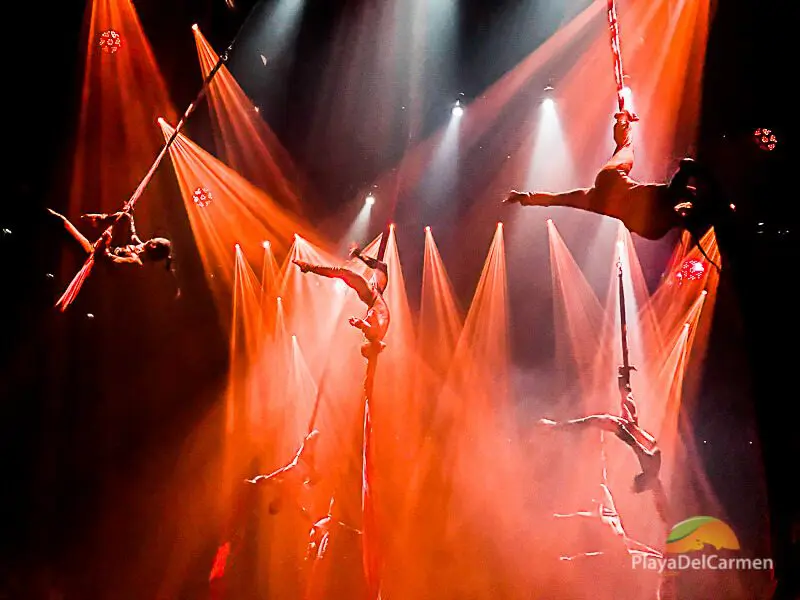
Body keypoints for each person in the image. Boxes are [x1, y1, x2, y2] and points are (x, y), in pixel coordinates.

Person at [504, 110, 704, 241]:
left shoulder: (661, 212)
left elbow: (678, 189)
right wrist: (525, 197)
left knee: (626, 147)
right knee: (564, 198)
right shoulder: (656, 227)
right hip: (606, 193)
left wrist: (688, 170)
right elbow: (558, 199)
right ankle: (524, 198)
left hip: (612, 180)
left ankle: (623, 118)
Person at [293, 245, 390, 358]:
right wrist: (360, 323)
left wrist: (359, 323)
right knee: (382, 267)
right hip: (376, 293)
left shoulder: (373, 334)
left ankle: (308, 267)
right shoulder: (374, 335)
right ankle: (358, 254)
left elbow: (367, 328)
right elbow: (368, 330)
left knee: (343, 273)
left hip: (370, 296)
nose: (364, 337)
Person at [554, 481, 663, 561]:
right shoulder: (623, 543)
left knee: (602, 489)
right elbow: (642, 549)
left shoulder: (614, 546)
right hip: (611, 518)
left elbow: (589, 555)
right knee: (603, 489)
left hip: (609, 519)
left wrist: (561, 517)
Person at [48, 208, 172, 268]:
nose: (151, 239)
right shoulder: (138, 247)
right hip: (96, 248)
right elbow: (132, 233)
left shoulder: (135, 261)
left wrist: (106, 246)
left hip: (92, 255)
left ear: (153, 245)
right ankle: (98, 220)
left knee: (61, 221)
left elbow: (111, 260)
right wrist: (130, 215)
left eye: (154, 239)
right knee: (125, 216)